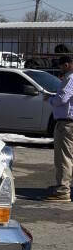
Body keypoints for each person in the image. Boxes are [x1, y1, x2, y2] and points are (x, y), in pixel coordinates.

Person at [45, 55, 73, 202]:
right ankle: (62, 186)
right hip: (67, 122)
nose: (60, 68)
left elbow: (61, 99)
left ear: (67, 64)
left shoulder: (70, 78)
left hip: (66, 123)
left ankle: (63, 190)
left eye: (61, 65)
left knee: (63, 158)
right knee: (67, 156)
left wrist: (50, 99)